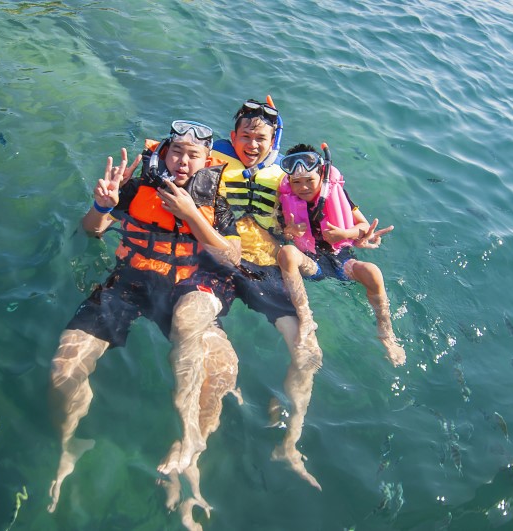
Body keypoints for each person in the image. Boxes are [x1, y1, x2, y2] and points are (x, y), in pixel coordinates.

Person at [46, 119, 241, 514]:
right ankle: (68, 445)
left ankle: (190, 452)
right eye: (176, 152)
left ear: (206, 161)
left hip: (188, 290)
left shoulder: (216, 204)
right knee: (61, 374)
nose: (183, 162)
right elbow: (93, 233)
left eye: (193, 155)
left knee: (222, 373)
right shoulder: (136, 188)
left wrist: (192, 214)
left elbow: (232, 259)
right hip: (129, 284)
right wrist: (102, 205)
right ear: (165, 154)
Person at [160, 97, 324, 490]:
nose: (252, 145)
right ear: (232, 136)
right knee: (197, 333)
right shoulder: (210, 158)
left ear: (273, 141)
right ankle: (190, 440)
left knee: (308, 351)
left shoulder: (287, 174)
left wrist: (353, 237)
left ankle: (290, 441)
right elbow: (169, 157)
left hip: (264, 266)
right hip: (218, 263)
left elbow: (324, 206)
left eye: (262, 138)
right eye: (246, 136)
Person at [277, 143, 406, 366]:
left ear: (322, 176)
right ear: (289, 182)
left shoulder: (337, 193)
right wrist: (287, 231)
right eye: (296, 182)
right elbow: (280, 231)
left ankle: (387, 334)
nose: (303, 187)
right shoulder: (285, 199)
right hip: (310, 262)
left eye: (310, 180)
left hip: (341, 259)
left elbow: (364, 225)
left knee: (372, 271)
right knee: (287, 253)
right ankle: (306, 319)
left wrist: (346, 233)